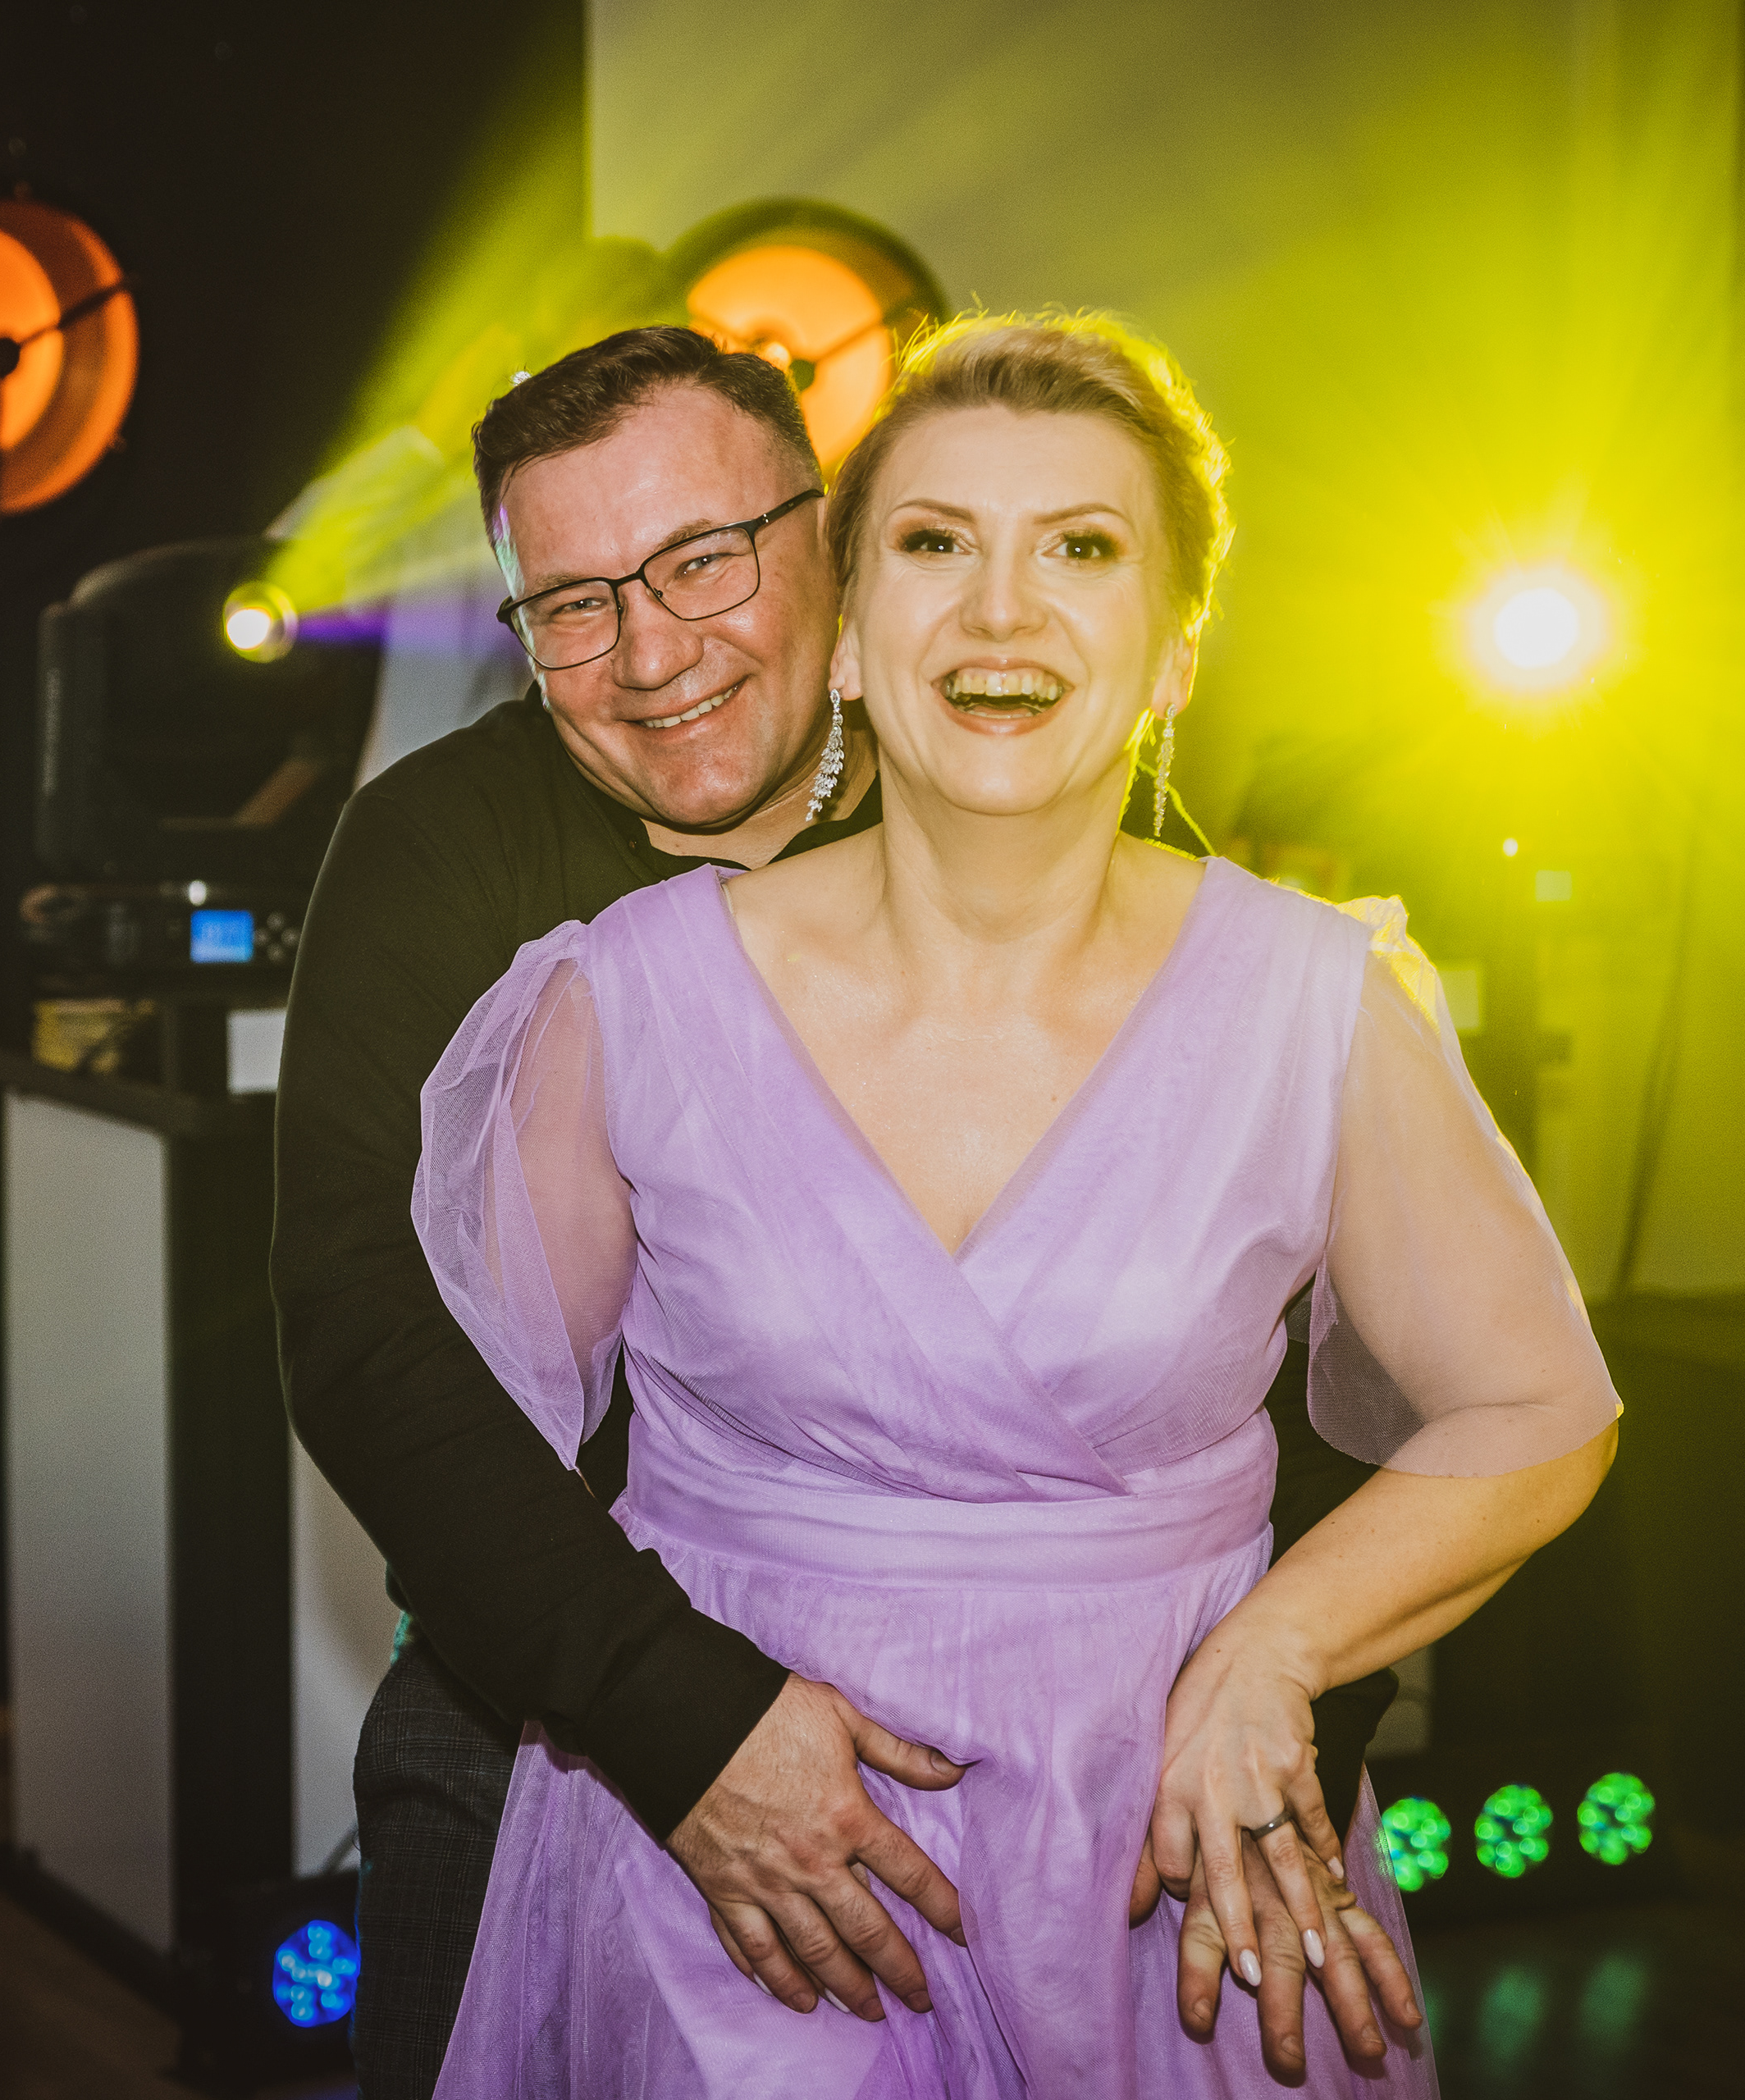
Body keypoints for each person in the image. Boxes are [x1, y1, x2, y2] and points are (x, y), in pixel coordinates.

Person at [407, 313, 1622, 2093]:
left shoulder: (1318, 1005)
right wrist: (667, 1728)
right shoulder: (624, 1000)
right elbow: (477, 1454)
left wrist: (1275, 1656)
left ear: (1176, 653)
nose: (1000, 613)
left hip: (1174, 1865)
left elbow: (1537, 1409)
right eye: (935, 543)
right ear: (845, 629)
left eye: (1081, 549)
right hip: (740, 1883)